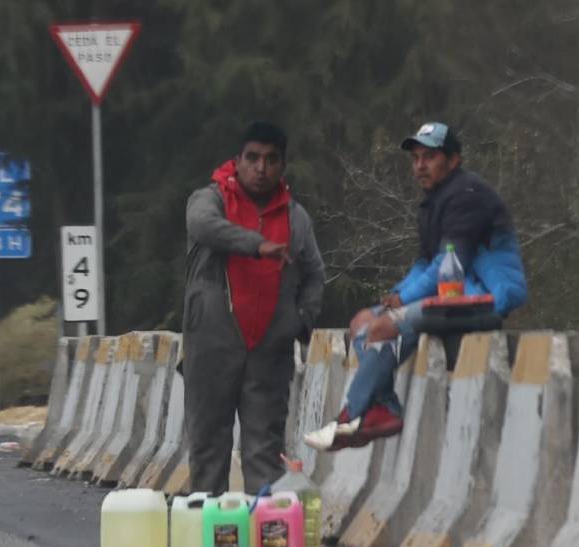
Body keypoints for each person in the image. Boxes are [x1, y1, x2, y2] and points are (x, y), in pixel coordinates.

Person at [305, 121, 528, 452]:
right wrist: (392, 299)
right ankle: (383, 407)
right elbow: (425, 264)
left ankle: (356, 411)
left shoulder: (467, 195)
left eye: (430, 157)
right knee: (362, 325)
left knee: (386, 326)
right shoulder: (433, 202)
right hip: (450, 299)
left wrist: (401, 303)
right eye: (416, 158)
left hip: (484, 300)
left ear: (453, 160)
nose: (420, 165)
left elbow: (450, 264)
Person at [183, 121, 326, 495]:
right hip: (212, 346)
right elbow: (203, 227)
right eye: (253, 158)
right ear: (237, 160)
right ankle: (209, 543)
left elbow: (314, 273)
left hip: (269, 352)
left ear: (282, 166)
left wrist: (300, 322)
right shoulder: (210, 199)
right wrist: (257, 245)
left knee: (264, 454)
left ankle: (265, 546)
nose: (261, 168)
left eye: (271, 160)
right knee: (208, 447)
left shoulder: (295, 217)